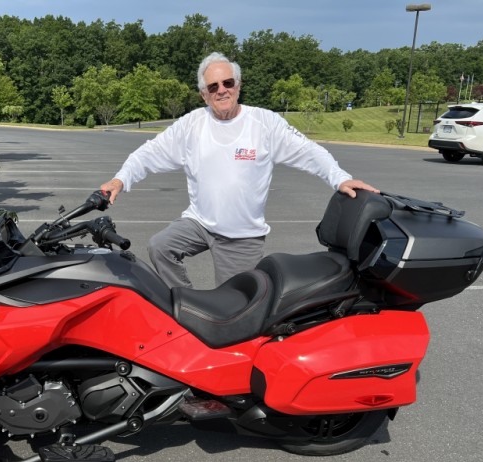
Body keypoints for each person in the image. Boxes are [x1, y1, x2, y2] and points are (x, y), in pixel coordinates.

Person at [100, 52, 378, 289]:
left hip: (242, 236)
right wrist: (120, 178)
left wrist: (339, 177)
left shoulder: (264, 123)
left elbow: (309, 151)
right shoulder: (191, 125)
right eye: (212, 86)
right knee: (160, 247)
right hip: (199, 223)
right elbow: (149, 152)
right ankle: (188, 302)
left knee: (235, 308)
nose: (221, 90)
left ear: (238, 86)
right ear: (204, 94)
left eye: (227, 82)